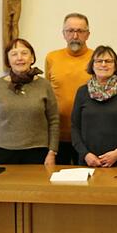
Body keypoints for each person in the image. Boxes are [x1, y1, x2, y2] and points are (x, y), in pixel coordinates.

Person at [0, 38, 58, 166]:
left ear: (32, 58)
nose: (19, 58)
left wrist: (52, 152)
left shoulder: (44, 85)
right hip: (1, 152)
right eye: (14, 54)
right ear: (8, 61)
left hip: (37, 152)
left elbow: (54, 121)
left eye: (24, 53)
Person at [71, 45, 117, 167]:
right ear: (92, 64)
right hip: (88, 162)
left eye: (108, 61)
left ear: (115, 65)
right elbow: (75, 127)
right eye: (98, 61)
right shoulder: (82, 92)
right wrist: (85, 154)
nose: (103, 64)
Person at [45, 12, 93, 165]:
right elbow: (46, 94)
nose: (75, 35)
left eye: (80, 31)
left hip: (88, 136)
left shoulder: (97, 59)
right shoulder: (52, 58)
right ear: (63, 34)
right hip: (57, 136)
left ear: (88, 34)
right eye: (70, 31)